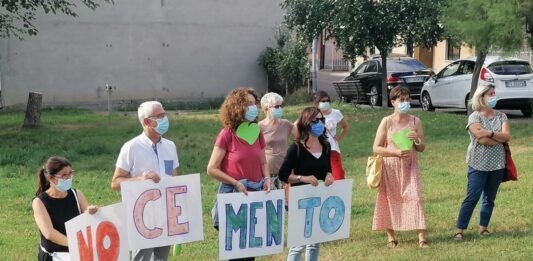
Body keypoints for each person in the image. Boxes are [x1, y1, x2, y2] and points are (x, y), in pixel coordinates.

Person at [207, 87, 271, 261]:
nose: (253, 107)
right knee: (234, 249)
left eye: (254, 103)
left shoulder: (257, 131)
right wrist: (235, 182)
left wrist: (267, 179)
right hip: (234, 193)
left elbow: (263, 162)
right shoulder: (226, 134)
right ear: (237, 107)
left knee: (251, 249)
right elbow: (212, 168)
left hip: (255, 193)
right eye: (248, 104)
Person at [111, 101, 179, 261]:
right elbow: (115, 182)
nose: (165, 119)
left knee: (161, 258)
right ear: (147, 121)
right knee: (142, 258)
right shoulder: (131, 147)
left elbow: (174, 177)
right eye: (160, 116)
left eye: (165, 114)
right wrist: (141, 179)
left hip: (165, 214)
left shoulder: (170, 146)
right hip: (141, 217)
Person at [371, 86, 428, 248]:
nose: (405, 102)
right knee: (389, 200)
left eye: (407, 99)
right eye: (401, 100)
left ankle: (422, 238)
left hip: (410, 167)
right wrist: (395, 152)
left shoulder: (416, 121)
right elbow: (376, 148)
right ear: (393, 102)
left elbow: (422, 147)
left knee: (415, 197)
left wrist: (417, 139)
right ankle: (391, 238)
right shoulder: (387, 121)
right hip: (390, 168)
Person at [454, 84, 510, 240]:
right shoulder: (475, 116)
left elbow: (507, 137)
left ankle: (483, 227)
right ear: (481, 97)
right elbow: (482, 139)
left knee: (489, 198)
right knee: (472, 196)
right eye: (490, 94)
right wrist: (497, 138)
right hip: (478, 163)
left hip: (498, 164)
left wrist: (490, 132)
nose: (493, 96)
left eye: (494, 93)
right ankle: (460, 229)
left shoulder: (501, 116)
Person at [279, 107, 334, 261]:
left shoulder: (326, 146)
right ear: (306, 123)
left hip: (318, 199)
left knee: (315, 243)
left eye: (321, 120)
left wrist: (329, 175)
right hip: (301, 200)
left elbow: (326, 169)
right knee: (298, 245)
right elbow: (283, 175)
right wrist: (302, 178)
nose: (319, 124)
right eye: (315, 121)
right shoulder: (296, 148)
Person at [32, 156, 98, 261]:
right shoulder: (39, 202)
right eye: (64, 176)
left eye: (70, 173)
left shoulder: (77, 194)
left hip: (77, 253)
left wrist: (92, 212)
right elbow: (49, 233)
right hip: (54, 256)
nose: (68, 178)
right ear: (50, 178)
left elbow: (88, 220)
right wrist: (75, 243)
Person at [259, 92, 294, 189]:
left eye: (280, 106)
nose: (280, 109)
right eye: (276, 106)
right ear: (266, 109)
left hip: (285, 172)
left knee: (287, 202)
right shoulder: (259, 127)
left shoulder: (286, 124)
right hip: (268, 174)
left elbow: (301, 134)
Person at [313, 91, 349, 180]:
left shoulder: (336, 113)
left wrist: (339, 138)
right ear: (317, 103)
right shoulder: (312, 114)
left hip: (332, 149)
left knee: (338, 177)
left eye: (327, 100)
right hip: (316, 150)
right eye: (323, 101)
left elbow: (345, 127)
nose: (326, 103)